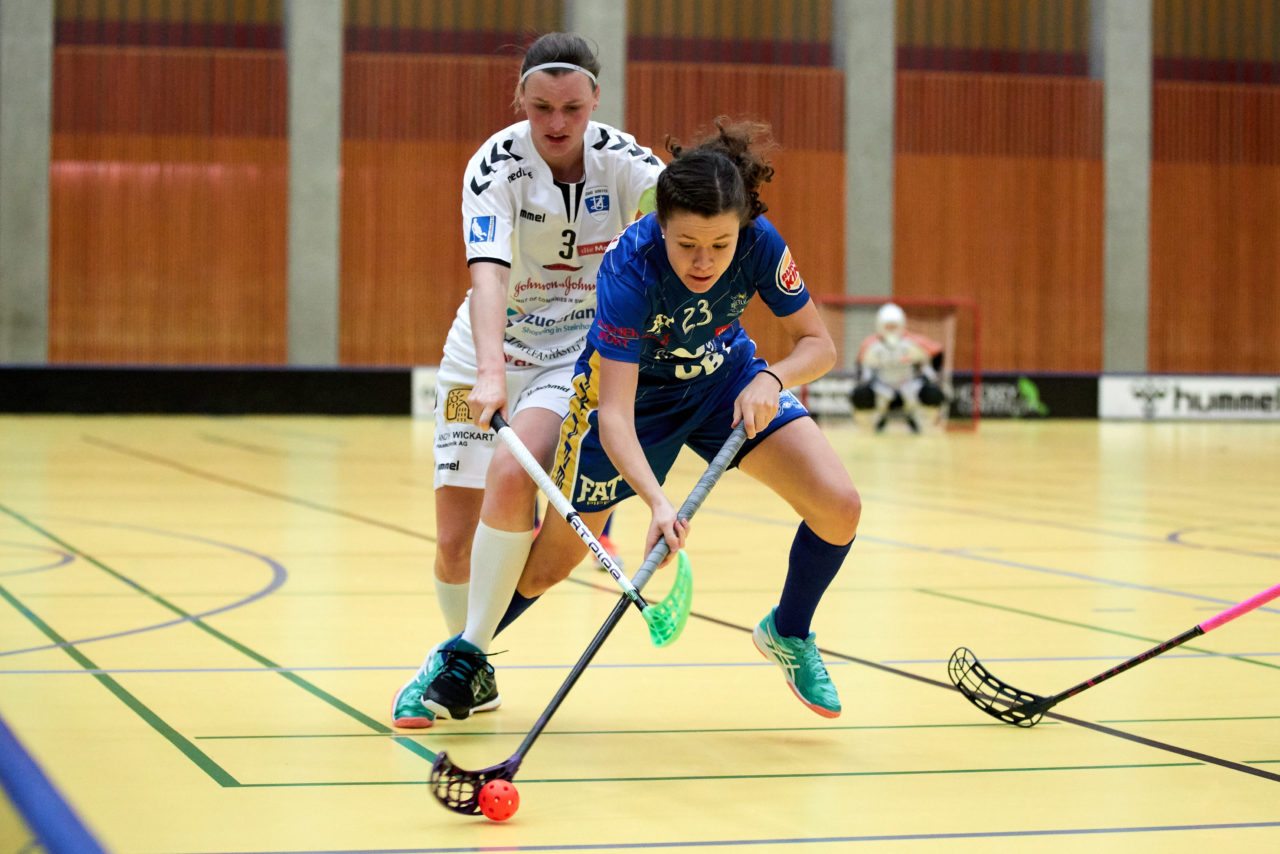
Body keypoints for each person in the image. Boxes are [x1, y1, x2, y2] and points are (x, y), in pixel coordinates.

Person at [417, 118, 861, 722]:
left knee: (839, 507)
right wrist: (657, 503)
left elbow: (819, 346)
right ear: (661, 224)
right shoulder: (629, 269)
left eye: (720, 246)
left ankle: (789, 631)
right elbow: (616, 419)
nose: (704, 262)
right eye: (687, 244)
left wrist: (772, 378)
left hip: (724, 379)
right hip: (633, 403)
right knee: (550, 566)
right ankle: (459, 656)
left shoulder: (760, 242)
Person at [392, 33, 665, 728]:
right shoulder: (495, 165)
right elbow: (488, 274)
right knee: (453, 543)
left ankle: (457, 662)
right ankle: (472, 668)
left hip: (568, 354)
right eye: (541, 106)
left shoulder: (630, 164)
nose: (557, 122)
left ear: (595, 99)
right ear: (520, 99)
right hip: (483, 352)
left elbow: (684, 224)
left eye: (572, 107)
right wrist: (489, 374)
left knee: (513, 475)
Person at [849, 302, 946, 433]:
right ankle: (873, 423)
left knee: (933, 393)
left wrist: (930, 375)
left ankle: (921, 422)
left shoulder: (916, 341)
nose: (891, 329)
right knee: (860, 394)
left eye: (894, 326)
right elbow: (861, 368)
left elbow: (937, 352)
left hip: (910, 387)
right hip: (881, 388)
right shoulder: (869, 344)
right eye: (888, 326)